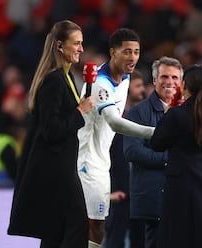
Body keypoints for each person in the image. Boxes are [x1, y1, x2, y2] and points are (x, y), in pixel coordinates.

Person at [7, 20, 94, 248]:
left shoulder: (66, 77)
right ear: (59, 46)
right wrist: (79, 111)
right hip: (57, 169)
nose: (81, 49)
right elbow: (50, 131)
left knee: (55, 230)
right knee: (77, 225)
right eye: (76, 43)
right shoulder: (54, 81)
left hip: (62, 165)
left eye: (82, 44)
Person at [77, 28, 155, 248]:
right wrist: (152, 132)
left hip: (102, 161)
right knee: (95, 225)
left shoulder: (126, 77)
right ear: (113, 52)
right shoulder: (100, 84)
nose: (133, 57)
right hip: (87, 162)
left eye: (137, 52)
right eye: (127, 51)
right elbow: (114, 122)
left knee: (95, 225)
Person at [150, 65, 202, 248]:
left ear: (183, 85)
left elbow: (157, 143)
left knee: (181, 235)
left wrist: (166, 117)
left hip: (181, 183)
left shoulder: (176, 115)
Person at [123, 56, 184, 248]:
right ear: (155, 80)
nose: (170, 82)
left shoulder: (189, 112)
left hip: (181, 196)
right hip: (152, 197)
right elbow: (132, 151)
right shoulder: (138, 112)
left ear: (181, 83)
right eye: (164, 76)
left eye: (174, 78)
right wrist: (170, 159)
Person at [104, 69, 146, 248]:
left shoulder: (143, 118)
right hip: (118, 195)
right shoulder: (112, 121)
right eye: (138, 86)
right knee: (115, 241)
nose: (143, 90)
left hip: (138, 193)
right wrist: (108, 193)